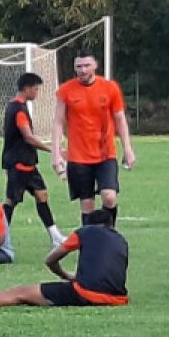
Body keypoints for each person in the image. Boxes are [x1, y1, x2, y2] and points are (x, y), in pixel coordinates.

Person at [0, 208, 128, 310]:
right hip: (118, 298)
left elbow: (51, 259)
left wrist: (65, 275)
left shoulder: (85, 231)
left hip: (86, 293)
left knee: (19, 293)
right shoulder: (122, 240)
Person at [51, 51, 136, 225]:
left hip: (105, 154)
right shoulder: (66, 90)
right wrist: (56, 153)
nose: (82, 70)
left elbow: (120, 119)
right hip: (78, 157)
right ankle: (90, 242)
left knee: (109, 197)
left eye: (86, 65)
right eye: (78, 66)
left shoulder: (110, 88)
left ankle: (109, 234)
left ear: (95, 66)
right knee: (87, 203)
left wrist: (127, 148)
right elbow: (58, 122)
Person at [1, 72, 67, 246]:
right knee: (12, 200)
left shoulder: (16, 107)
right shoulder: (18, 109)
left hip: (28, 162)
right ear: (27, 88)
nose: (37, 93)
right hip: (19, 163)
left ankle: (55, 236)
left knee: (41, 194)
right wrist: (53, 150)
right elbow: (28, 138)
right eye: (36, 89)